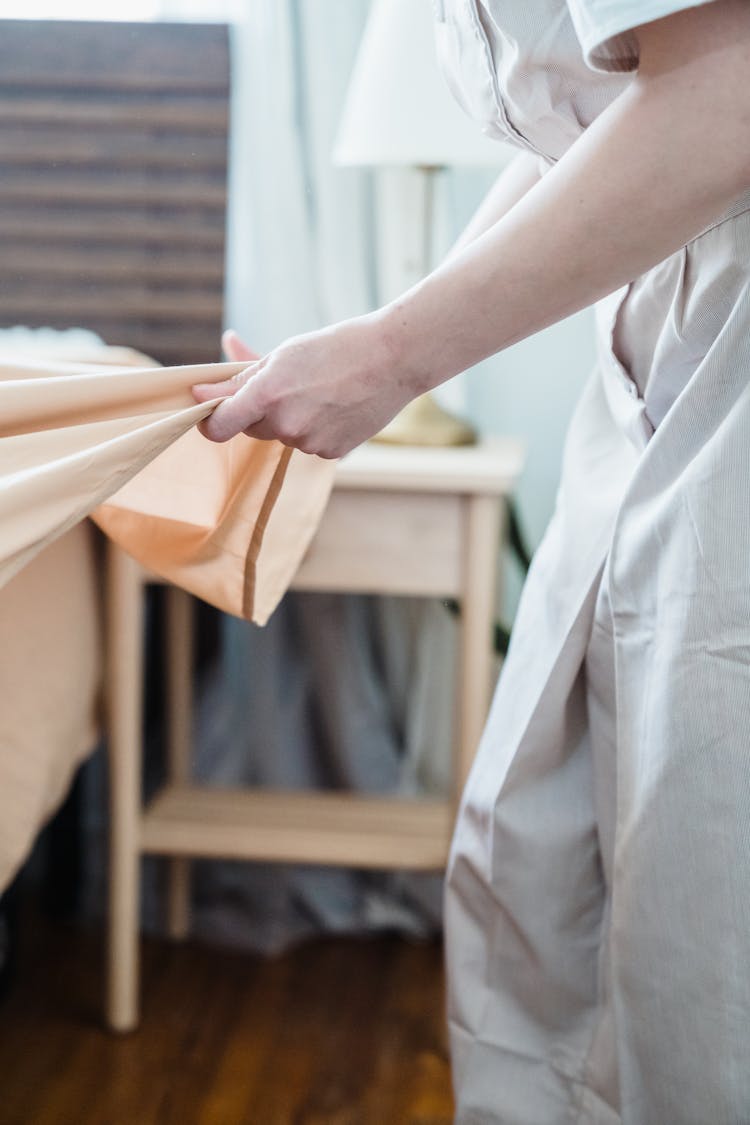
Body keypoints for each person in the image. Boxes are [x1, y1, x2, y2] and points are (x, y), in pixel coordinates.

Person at [194, 1, 750, 1120]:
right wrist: (379, 336)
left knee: (705, 930)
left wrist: (394, 357)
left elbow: (729, 88)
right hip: (658, 360)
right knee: (539, 870)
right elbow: (586, 137)